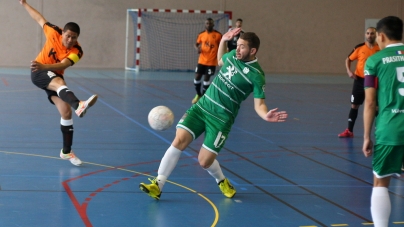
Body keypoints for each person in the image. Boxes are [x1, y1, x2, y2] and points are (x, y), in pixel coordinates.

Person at [139, 28, 288, 200]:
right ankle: (158, 184)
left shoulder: (257, 75)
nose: (237, 49)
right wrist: (223, 41)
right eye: (237, 45)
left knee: (204, 162)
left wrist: (265, 115)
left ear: (253, 51)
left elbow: (259, 104)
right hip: (202, 108)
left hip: (221, 120)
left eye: (242, 47)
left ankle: (221, 180)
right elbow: (220, 61)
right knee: (179, 140)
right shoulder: (232, 55)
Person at [19, 0, 98, 166]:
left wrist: (45, 65)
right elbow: (39, 18)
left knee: (65, 112)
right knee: (59, 82)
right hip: (38, 72)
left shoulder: (77, 51)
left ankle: (66, 151)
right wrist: (24, 4)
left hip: (49, 70)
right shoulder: (53, 31)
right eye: (68, 36)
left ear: (77, 38)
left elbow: (63, 65)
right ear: (62, 33)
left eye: (74, 38)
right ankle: (79, 104)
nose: (70, 40)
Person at [362, 16, 404, 227]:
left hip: (390, 129)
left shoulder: (375, 61)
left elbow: (370, 103)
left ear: (381, 35)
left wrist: (366, 136)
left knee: (380, 182)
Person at [338, 27, 380, 138]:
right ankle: (349, 130)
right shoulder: (359, 47)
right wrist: (349, 71)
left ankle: (379, 131)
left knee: (376, 106)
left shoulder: (380, 48)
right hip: (360, 80)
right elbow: (348, 59)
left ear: (376, 35)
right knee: (354, 105)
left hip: (374, 80)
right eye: (368, 33)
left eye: (372, 33)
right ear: (365, 35)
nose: (369, 35)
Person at [192, 18, 222, 104]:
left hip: (211, 61)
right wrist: (197, 48)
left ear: (213, 24)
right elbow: (196, 44)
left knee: (206, 79)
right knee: (197, 77)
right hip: (202, 60)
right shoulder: (201, 34)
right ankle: (198, 94)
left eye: (210, 23)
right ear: (205, 25)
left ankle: (204, 97)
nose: (208, 25)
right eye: (207, 23)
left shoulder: (218, 35)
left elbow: (222, 45)